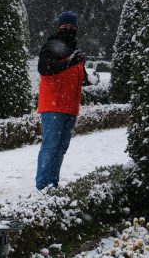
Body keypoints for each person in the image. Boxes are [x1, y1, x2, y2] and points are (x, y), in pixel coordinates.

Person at [35, 11, 99, 190]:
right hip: (53, 106)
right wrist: (69, 62)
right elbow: (45, 69)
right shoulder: (52, 45)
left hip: (71, 108)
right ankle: (42, 186)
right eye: (65, 26)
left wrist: (89, 78)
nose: (68, 29)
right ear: (58, 27)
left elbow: (79, 77)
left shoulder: (76, 53)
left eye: (72, 27)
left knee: (61, 149)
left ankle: (52, 184)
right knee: (50, 147)